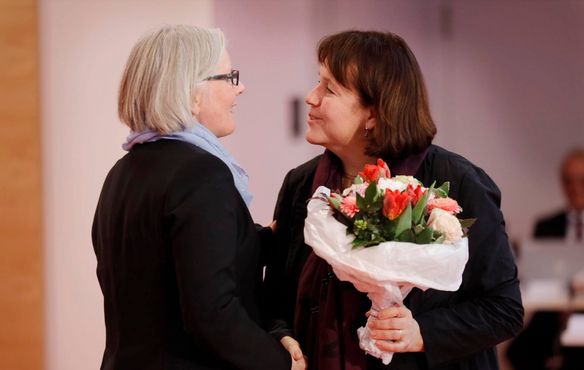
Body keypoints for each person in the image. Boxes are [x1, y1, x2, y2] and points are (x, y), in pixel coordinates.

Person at [264, 30, 524, 370]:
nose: (311, 98)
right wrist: (282, 336)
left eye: (329, 89)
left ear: (373, 113)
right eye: (317, 83)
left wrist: (421, 333)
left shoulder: (456, 181)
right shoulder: (302, 185)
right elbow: (275, 299)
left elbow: (503, 309)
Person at [92, 25, 304, 370]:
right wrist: (281, 363)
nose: (240, 88)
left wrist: (263, 240)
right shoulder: (201, 175)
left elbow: (165, 265)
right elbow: (212, 314)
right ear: (192, 92)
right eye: (229, 77)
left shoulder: (123, 171)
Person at [507, 149, 584, 370]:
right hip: (552, 311)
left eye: (581, 180)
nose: (575, 188)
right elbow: (535, 273)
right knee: (520, 351)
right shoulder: (546, 225)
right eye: (569, 181)